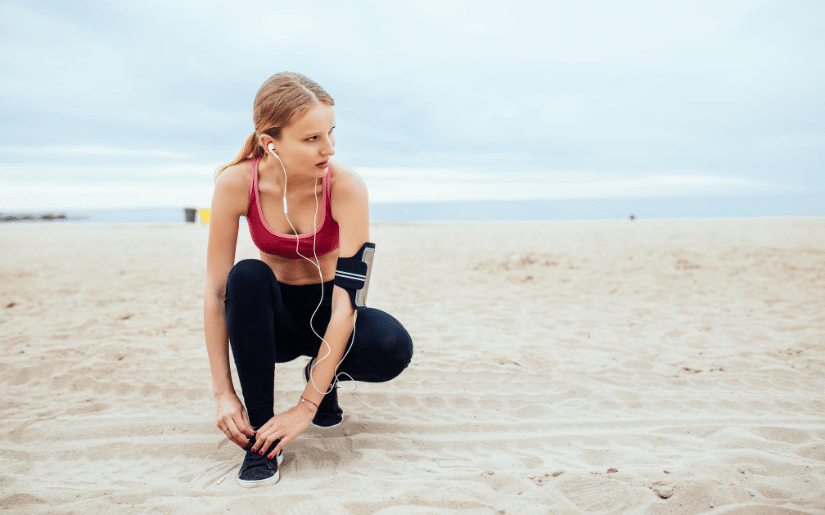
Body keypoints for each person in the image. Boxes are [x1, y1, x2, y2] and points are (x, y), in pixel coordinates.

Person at [203, 72, 414, 488]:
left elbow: (347, 302)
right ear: (270, 142)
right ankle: (261, 440)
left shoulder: (346, 186)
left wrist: (306, 406)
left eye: (331, 133)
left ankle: (324, 377)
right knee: (246, 275)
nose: (329, 148)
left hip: (331, 309)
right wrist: (223, 394)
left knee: (393, 347)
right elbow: (214, 294)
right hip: (272, 321)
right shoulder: (236, 183)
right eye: (312, 138)